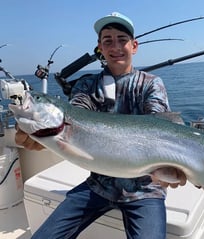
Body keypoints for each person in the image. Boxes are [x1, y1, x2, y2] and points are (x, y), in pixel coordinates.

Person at [15, 12, 187, 239]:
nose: (115, 46)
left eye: (122, 39)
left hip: (146, 190)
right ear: (100, 49)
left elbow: (160, 126)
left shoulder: (151, 84)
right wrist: (43, 138)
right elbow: (76, 116)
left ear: (134, 46)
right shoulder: (87, 85)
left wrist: (173, 164)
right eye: (107, 41)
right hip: (98, 186)